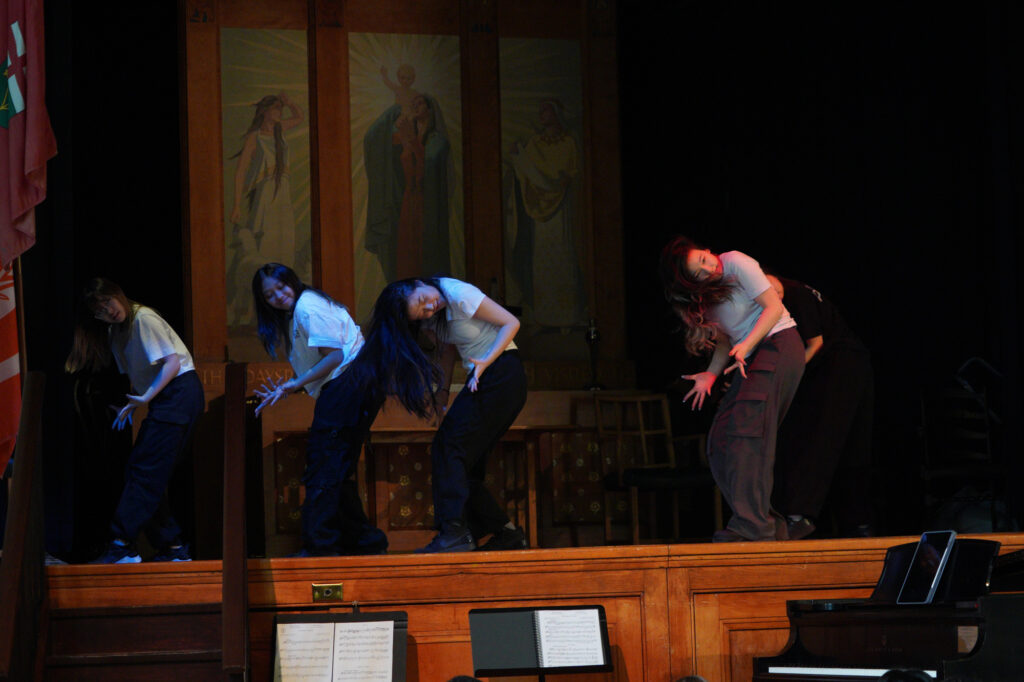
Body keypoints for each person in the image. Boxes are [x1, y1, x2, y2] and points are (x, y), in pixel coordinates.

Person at [350, 276, 527, 552]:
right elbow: (448, 348)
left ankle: (455, 533)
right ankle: (506, 533)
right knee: (461, 462)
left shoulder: (459, 293)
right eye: (422, 312)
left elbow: (511, 323)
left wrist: (484, 362)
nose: (430, 308)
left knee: (449, 448)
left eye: (424, 301)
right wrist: (442, 392)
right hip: (488, 376)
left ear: (418, 284)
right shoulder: (436, 316)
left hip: (502, 372)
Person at [658, 236, 804, 542]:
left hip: (778, 343)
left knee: (747, 433)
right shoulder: (709, 295)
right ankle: (767, 524)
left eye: (702, 259)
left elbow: (774, 307)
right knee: (722, 439)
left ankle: (752, 529)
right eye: (698, 274)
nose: (707, 267)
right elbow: (725, 340)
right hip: (750, 354)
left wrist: (746, 345)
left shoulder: (736, 261)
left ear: (705, 250)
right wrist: (710, 375)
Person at [251, 263, 388, 557]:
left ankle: (321, 546)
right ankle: (365, 543)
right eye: (269, 294)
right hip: (350, 385)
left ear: (293, 281)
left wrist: (294, 383)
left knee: (323, 467)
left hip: (348, 384)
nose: (278, 295)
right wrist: (291, 384)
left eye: (281, 286)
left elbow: (335, 356)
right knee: (335, 469)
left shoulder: (307, 307)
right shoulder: (299, 311)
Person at [66, 278, 204, 563]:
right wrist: (130, 403)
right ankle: (172, 547)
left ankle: (121, 544)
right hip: (164, 397)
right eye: (100, 309)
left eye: (109, 301)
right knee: (142, 470)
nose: (109, 310)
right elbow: (137, 375)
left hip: (179, 391)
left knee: (145, 470)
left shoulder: (144, 318)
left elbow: (173, 363)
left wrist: (146, 398)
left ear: (118, 294)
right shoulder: (116, 333)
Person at [766, 275, 874, 539]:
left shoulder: (796, 295)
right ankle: (853, 521)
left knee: (823, 437)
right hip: (840, 365)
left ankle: (801, 514)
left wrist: (785, 382)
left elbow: (815, 344)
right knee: (842, 443)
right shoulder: (778, 299)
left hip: (840, 365)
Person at [227, 93, 304, 326]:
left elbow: (299, 117)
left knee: (284, 246)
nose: (278, 113)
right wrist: (237, 204)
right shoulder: (255, 137)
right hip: (265, 192)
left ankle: (284, 308)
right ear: (264, 111)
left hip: (283, 192)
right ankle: (255, 310)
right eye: (274, 109)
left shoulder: (280, 131)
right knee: (264, 248)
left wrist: (289, 102)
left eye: (280, 110)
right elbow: (241, 171)